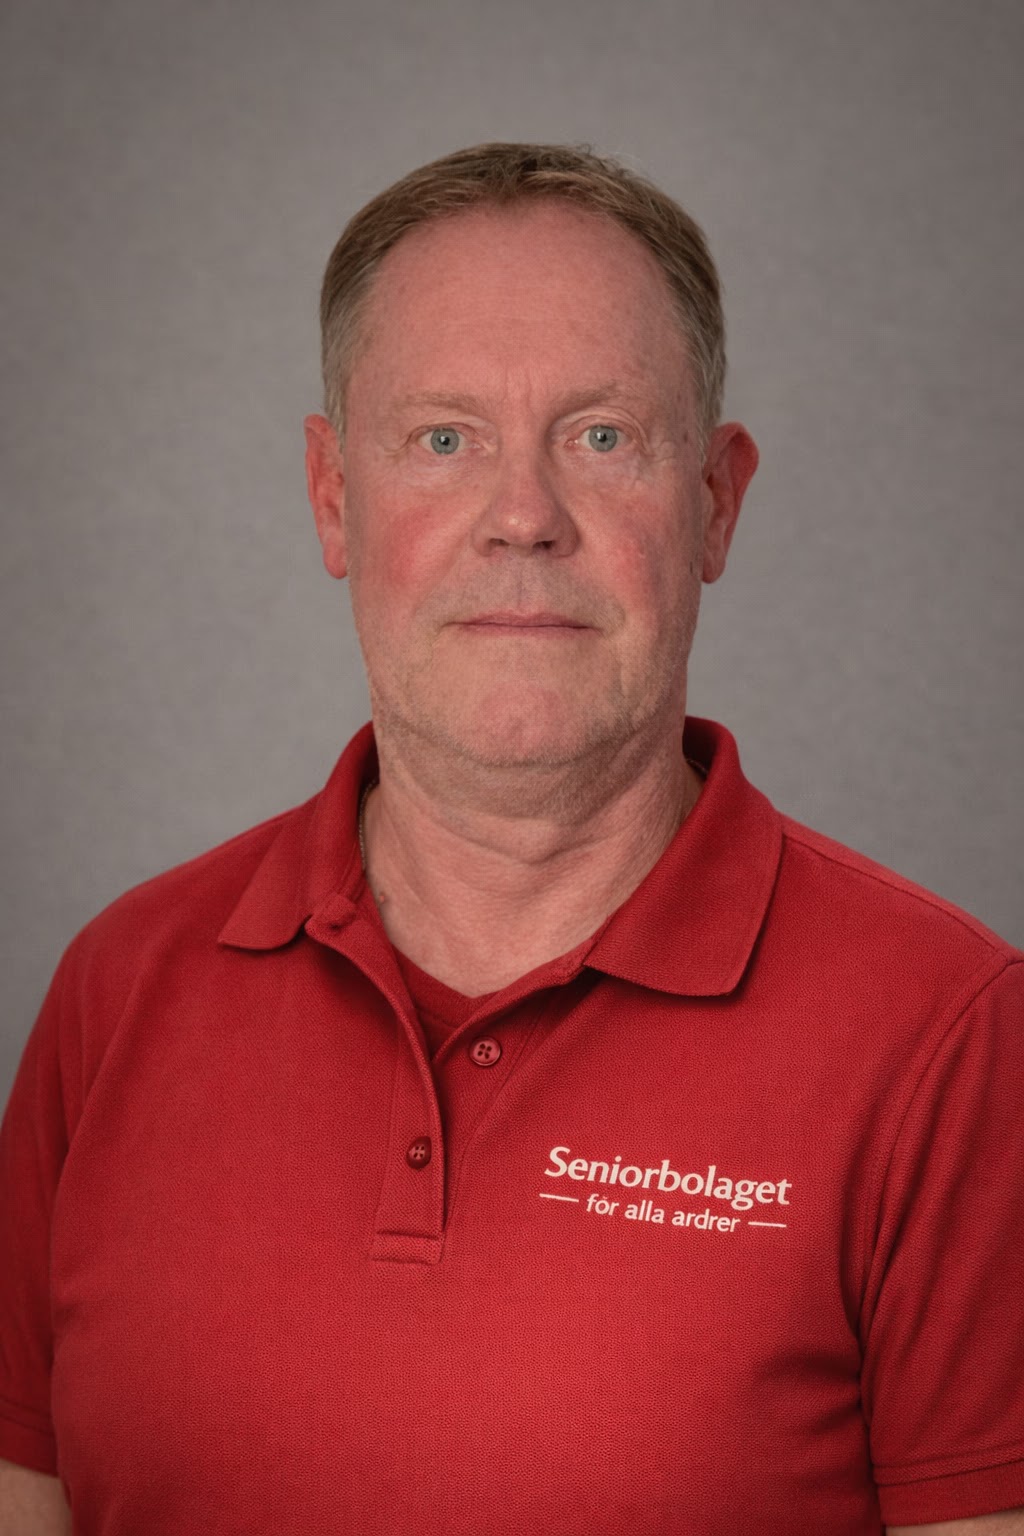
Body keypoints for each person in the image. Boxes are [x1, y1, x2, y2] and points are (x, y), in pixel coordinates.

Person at [0, 142, 1021, 1536]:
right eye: (445, 439)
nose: (525, 518)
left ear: (715, 502)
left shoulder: (951, 1037)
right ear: (333, 497)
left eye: (602, 437)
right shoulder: (117, 993)